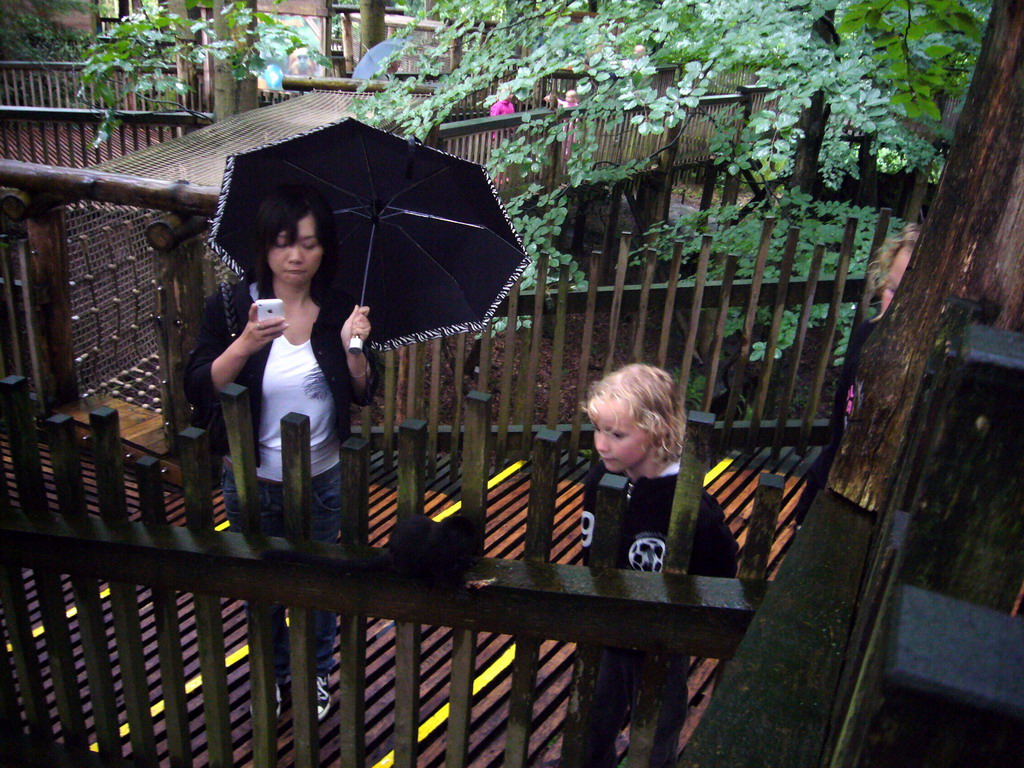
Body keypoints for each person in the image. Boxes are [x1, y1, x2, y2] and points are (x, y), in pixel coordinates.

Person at [184, 184, 377, 720]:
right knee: (261, 585)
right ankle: (273, 673)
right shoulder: (227, 306)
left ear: (325, 249)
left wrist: (354, 347)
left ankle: (315, 674)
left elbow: (361, 391)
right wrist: (245, 341)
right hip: (250, 478)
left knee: (317, 583)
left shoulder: (339, 308)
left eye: (311, 244)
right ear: (264, 246)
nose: (297, 257)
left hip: (321, 477)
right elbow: (198, 385)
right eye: (285, 242)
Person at [579, 364, 738, 768]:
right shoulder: (602, 478)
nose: (601, 444)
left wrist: (690, 619)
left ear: (658, 432)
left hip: (662, 635)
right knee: (594, 712)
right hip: (609, 622)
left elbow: (721, 566)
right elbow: (591, 543)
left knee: (658, 721)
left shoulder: (688, 506)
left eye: (616, 434)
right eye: (598, 430)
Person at [792, 222, 918, 526]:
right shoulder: (867, 334)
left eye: (909, 296)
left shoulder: (929, 372)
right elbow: (841, 419)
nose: (894, 305)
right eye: (891, 289)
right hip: (834, 479)